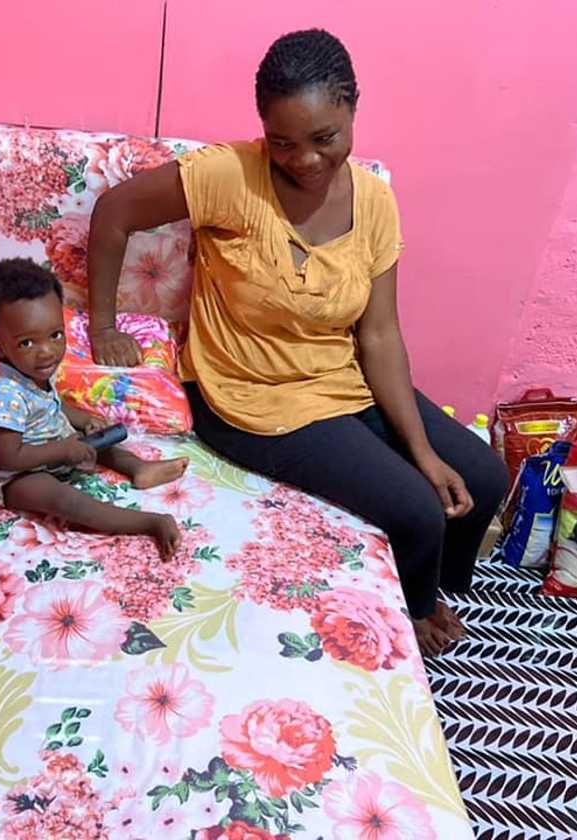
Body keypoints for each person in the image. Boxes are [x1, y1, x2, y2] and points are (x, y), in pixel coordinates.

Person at [85, 28, 508, 656]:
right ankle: (417, 610)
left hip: (338, 379)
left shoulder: (374, 201)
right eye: (282, 142)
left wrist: (421, 448)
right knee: (416, 508)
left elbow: (379, 333)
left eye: (324, 139)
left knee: (485, 476)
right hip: (249, 399)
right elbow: (114, 213)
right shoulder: (229, 175)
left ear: (352, 109)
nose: (304, 159)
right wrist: (104, 326)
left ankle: (426, 581)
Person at [0, 258, 187, 557]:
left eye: (55, 335)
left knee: (97, 440)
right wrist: (63, 450)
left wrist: (84, 420)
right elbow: (10, 457)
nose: (47, 351)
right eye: (27, 343)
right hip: (9, 476)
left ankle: (138, 468)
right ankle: (150, 522)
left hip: (44, 444)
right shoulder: (3, 392)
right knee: (61, 498)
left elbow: (49, 405)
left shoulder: (33, 369)